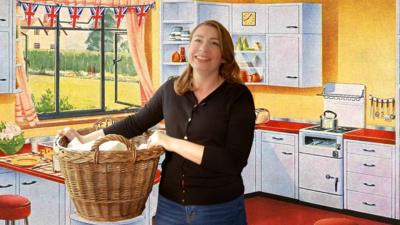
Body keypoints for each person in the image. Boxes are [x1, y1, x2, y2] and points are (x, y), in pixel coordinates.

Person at [60, 20, 255, 225]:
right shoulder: (171, 89)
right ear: (189, 48)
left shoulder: (238, 97)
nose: (203, 48)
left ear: (224, 55)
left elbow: (232, 162)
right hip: (170, 207)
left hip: (218, 208)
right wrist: (83, 139)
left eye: (214, 43)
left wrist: (170, 142)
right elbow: (134, 124)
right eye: (198, 40)